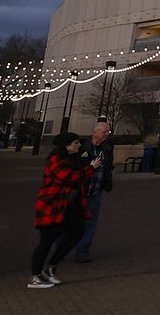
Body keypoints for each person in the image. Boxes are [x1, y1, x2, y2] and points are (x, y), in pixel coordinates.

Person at [28, 133, 92, 288]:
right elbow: (67, 177)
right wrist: (90, 168)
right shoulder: (56, 159)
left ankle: (51, 265)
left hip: (69, 204)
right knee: (47, 240)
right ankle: (35, 276)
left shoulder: (73, 159)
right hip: (53, 204)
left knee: (77, 232)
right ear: (67, 144)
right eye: (76, 142)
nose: (78, 145)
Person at [74, 122, 115, 263]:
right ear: (95, 132)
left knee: (91, 221)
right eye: (105, 132)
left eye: (108, 133)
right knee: (72, 220)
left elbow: (108, 166)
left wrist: (107, 181)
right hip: (79, 190)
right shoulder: (81, 147)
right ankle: (62, 246)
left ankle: (82, 250)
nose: (107, 135)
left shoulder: (107, 149)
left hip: (96, 190)